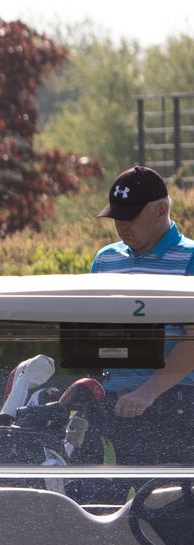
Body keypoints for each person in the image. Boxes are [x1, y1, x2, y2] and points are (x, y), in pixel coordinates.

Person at [89, 165, 194, 462]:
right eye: (116, 217)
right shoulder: (105, 259)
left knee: (168, 490)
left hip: (176, 406)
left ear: (161, 210)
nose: (121, 225)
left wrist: (147, 393)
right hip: (114, 402)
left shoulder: (191, 259)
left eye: (130, 216)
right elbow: (90, 332)